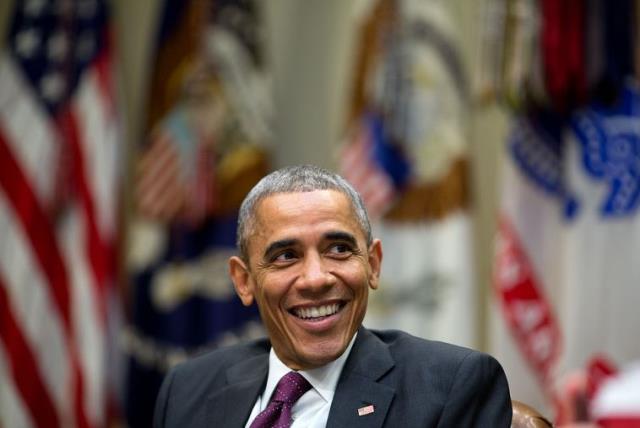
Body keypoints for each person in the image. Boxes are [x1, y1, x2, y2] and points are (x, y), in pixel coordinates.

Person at [153, 165, 512, 427]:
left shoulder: (451, 388)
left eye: (339, 249)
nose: (316, 278)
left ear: (372, 264)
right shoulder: (187, 390)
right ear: (244, 281)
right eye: (286, 256)